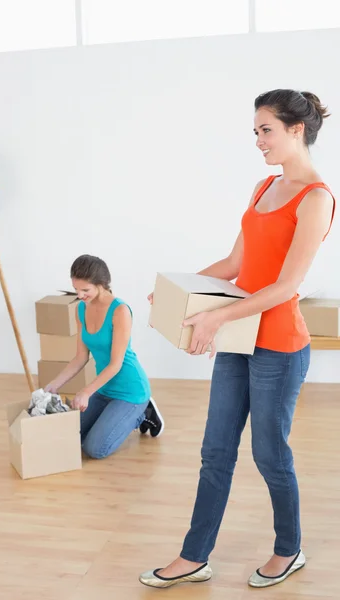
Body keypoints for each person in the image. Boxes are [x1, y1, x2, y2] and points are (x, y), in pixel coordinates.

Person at [139, 89, 336, 589]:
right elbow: (234, 266)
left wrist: (216, 316)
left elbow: (286, 286)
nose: (258, 140)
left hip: (280, 346)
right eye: (255, 131)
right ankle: (193, 556)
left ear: (297, 130)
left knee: (269, 453)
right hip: (239, 336)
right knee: (216, 450)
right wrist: (174, 295)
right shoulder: (262, 187)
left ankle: (288, 549)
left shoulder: (316, 198)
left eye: (266, 130)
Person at [45, 254, 164, 459]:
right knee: (71, 436)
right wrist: (54, 384)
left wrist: (85, 392)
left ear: (101, 284)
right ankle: (114, 414)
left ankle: (143, 412)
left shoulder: (120, 310)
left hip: (130, 390)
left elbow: (116, 364)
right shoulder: (81, 309)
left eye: (85, 290)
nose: (80, 295)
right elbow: (80, 357)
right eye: (76, 290)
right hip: (104, 387)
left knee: (95, 449)